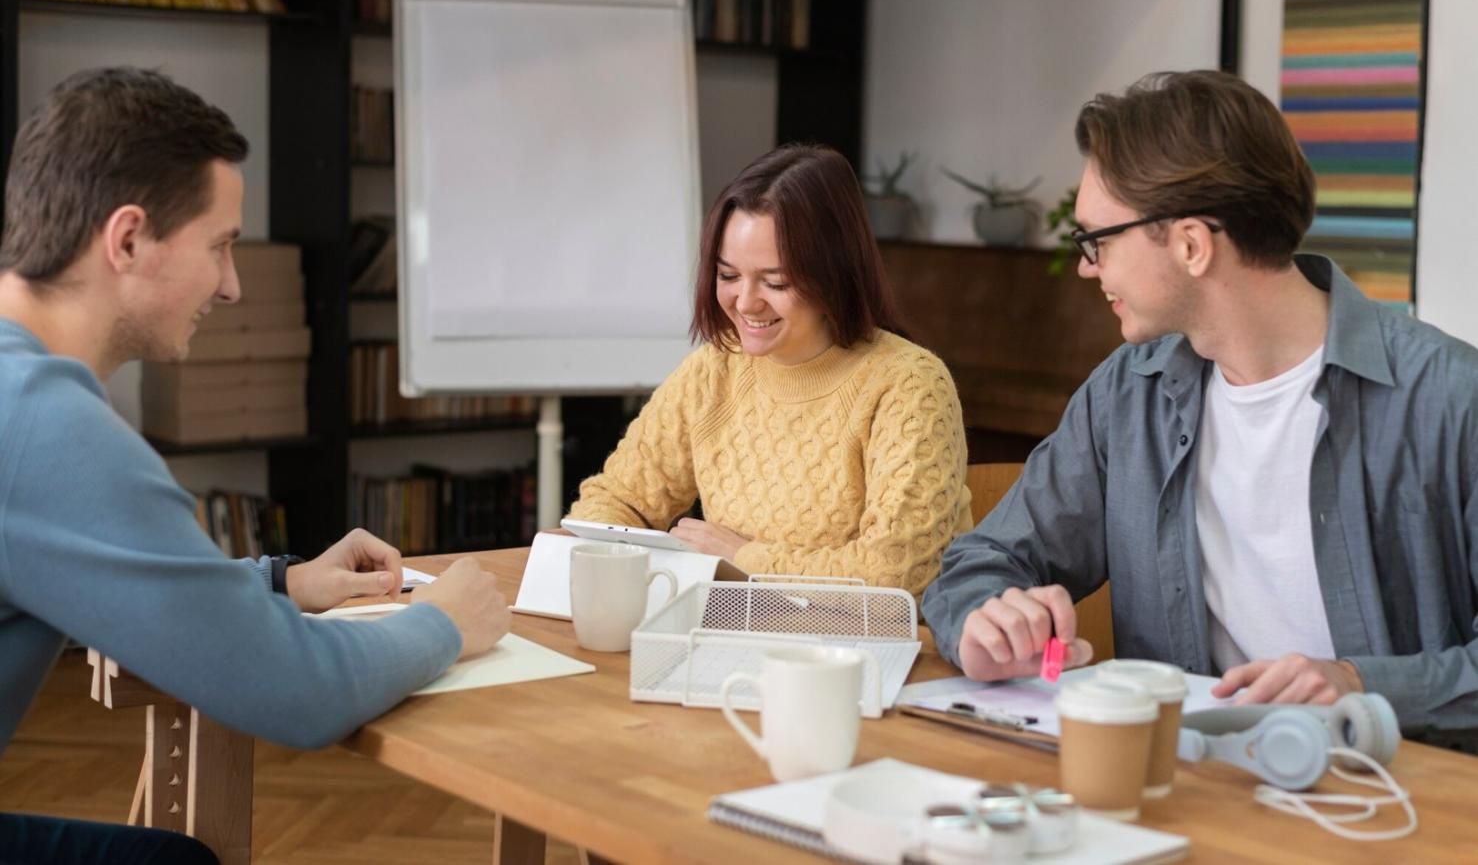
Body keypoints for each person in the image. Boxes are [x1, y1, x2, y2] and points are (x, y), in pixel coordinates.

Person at [0, 67, 511, 863]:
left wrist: (278, 582)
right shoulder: (44, 422)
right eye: (221, 245)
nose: (234, 285)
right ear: (128, 239)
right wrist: (443, 623)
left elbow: (116, 577)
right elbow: (295, 692)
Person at [923, 70, 1478, 742]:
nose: (1087, 267)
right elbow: (980, 561)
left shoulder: (1448, 398)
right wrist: (985, 621)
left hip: (1397, 806)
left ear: (1190, 244)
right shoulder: (1128, 395)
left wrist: (1361, 684)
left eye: (1098, 239)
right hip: (1187, 787)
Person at [567, 144, 972, 596]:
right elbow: (612, 502)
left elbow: (896, 573)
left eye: (775, 282)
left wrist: (742, 557)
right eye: (728, 275)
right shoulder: (714, 370)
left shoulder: (908, 384)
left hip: (875, 654)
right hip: (735, 632)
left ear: (833, 273)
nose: (745, 303)